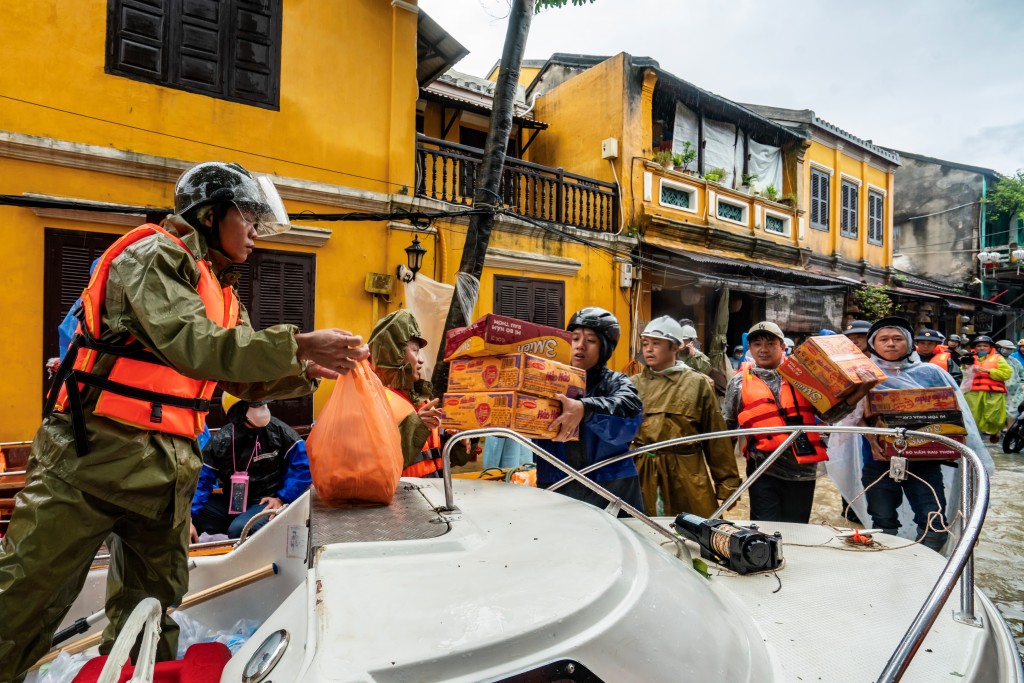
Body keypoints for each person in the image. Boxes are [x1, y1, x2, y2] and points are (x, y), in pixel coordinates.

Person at [0, 161, 369, 680]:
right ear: (211, 215)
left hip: (166, 471)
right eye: (248, 219)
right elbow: (193, 344)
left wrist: (306, 368)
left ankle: (140, 674)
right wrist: (297, 342)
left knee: (153, 608)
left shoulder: (225, 294)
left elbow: (241, 377)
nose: (257, 235)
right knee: (25, 599)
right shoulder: (154, 255)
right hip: (90, 462)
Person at [857, 318, 988, 552]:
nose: (890, 344)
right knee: (882, 523)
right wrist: (869, 435)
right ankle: (887, 568)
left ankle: (926, 567)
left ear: (908, 344)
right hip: (877, 461)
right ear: (873, 344)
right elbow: (846, 417)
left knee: (934, 523)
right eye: (883, 339)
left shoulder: (931, 373)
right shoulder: (862, 374)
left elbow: (958, 416)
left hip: (925, 460)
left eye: (897, 339)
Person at [534, 307, 645, 514]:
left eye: (591, 341)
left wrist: (586, 408)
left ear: (605, 348)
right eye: (574, 338)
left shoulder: (616, 382)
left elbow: (630, 411)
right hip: (556, 483)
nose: (580, 346)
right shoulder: (546, 380)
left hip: (611, 487)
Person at [630, 317, 739, 517]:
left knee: (697, 532)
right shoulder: (633, 385)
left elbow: (715, 437)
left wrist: (728, 485)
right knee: (641, 532)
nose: (649, 349)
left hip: (687, 472)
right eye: (645, 343)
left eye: (656, 343)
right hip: (643, 471)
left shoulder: (697, 384)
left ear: (675, 347)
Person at [722, 322, 830, 523]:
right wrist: (726, 480)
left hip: (803, 470)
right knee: (765, 530)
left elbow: (830, 415)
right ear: (749, 349)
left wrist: (854, 393)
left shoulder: (803, 376)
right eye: (756, 344)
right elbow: (726, 429)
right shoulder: (738, 383)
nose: (763, 349)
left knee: (798, 530)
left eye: (770, 343)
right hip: (762, 468)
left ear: (782, 347)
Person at [190, 397, 310, 540]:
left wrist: (282, 498)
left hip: (265, 502)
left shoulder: (279, 431)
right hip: (232, 504)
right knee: (183, 517)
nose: (263, 408)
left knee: (241, 531)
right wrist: (188, 517)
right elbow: (202, 481)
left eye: (263, 403)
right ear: (238, 411)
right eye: (256, 405)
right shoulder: (222, 439)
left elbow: (305, 467)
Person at [368, 309, 468, 477]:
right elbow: (374, 465)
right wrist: (415, 427)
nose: (421, 359)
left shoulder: (420, 398)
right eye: (415, 350)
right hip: (400, 500)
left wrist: (455, 439)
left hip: (432, 496)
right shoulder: (373, 402)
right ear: (396, 355)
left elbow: (445, 457)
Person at [963, 335, 1012, 442]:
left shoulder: (998, 358)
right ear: (975, 347)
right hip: (973, 393)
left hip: (993, 392)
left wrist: (988, 371)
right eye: (979, 346)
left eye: (985, 346)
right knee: (972, 416)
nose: (982, 348)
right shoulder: (969, 358)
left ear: (990, 347)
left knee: (994, 416)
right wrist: (966, 367)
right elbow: (962, 373)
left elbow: (1006, 374)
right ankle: (973, 438)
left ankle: (995, 432)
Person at [996, 339, 1024, 429]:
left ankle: (1010, 429)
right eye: (1006, 348)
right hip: (997, 390)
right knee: (997, 410)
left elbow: (1022, 374)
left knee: (1012, 411)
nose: (1009, 351)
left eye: (1010, 349)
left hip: (1014, 392)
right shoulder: (993, 360)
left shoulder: (1014, 361)